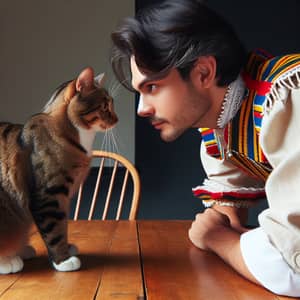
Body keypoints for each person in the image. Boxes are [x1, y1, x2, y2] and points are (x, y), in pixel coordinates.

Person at [110, 0, 300, 296]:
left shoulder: (287, 98)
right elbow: (225, 215)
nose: (142, 109)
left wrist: (218, 241)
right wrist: (230, 236)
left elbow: (292, 270)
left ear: (203, 73)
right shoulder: (222, 120)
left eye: (152, 88)